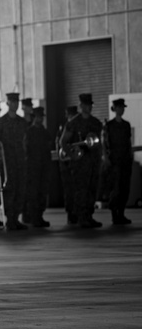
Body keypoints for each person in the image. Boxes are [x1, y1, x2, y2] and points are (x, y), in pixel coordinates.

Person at [60, 93, 105, 229]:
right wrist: (72, 155)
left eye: (90, 105)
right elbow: (63, 141)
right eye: (86, 105)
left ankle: (89, 216)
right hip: (79, 164)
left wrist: (101, 158)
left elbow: (99, 143)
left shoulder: (96, 123)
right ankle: (81, 217)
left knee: (92, 189)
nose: (89, 107)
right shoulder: (73, 123)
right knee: (81, 190)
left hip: (93, 162)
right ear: (81, 106)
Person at [0, 92, 29, 230]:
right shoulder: (0, 122)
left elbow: (25, 142)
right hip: (7, 163)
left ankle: (15, 218)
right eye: (12, 102)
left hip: (20, 161)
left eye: (17, 102)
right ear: (7, 103)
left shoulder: (22, 122)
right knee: (9, 190)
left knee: (20, 189)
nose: (15, 104)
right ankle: (10, 218)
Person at [105, 98, 133, 226]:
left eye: (122, 107)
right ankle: (114, 215)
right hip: (115, 160)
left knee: (124, 188)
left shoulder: (126, 125)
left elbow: (128, 142)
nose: (121, 110)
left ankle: (121, 213)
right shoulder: (109, 126)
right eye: (119, 107)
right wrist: (106, 158)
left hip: (125, 160)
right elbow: (106, 144)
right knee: (115, 188)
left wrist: (130, 155)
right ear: (114, 109)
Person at [23, 106, 52, 228]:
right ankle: (33, 217)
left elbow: (49, 147)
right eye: (38, 117)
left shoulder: (45, 132)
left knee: (42, 192)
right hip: (32, 166)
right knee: (33, 193)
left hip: (44, 166)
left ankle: (39, 216)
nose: (40, 119)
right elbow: (24, 148)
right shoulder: (29, 132)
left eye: (41, 117)